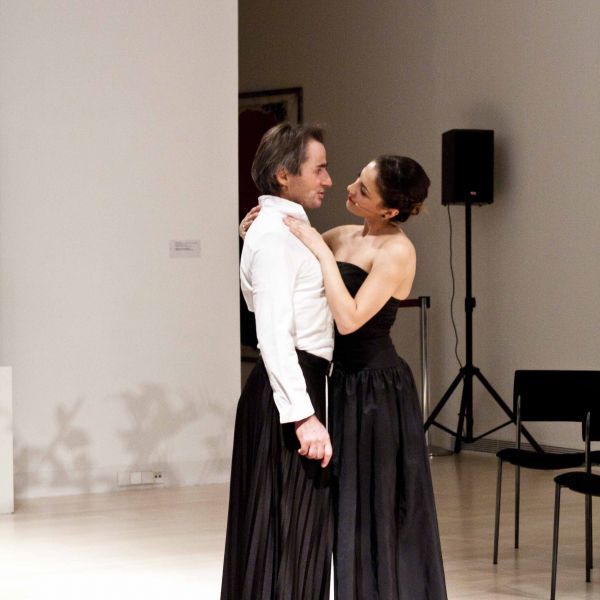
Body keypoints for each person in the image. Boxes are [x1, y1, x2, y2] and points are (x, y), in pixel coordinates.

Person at [242, 154, 447, 599]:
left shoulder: (397, 251)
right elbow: (289, 267)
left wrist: (320, 252)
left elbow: (350, 319)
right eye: (357, 178)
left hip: (377, 391)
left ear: (389, 210)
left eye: (364, 189)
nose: (349, 188)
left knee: (376, 510)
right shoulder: (340, 235)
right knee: (343, 508)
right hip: (340, 385)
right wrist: (254, 233)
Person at [221, 122, 335, 600]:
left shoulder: (276, 229)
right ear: (285, 175)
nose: (328, 179)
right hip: (287, 392)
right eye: (319, 169)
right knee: (288, 535)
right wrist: (303, 416)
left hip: (287, 388)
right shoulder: (275, 235)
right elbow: (270, 332)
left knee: (285, 533)